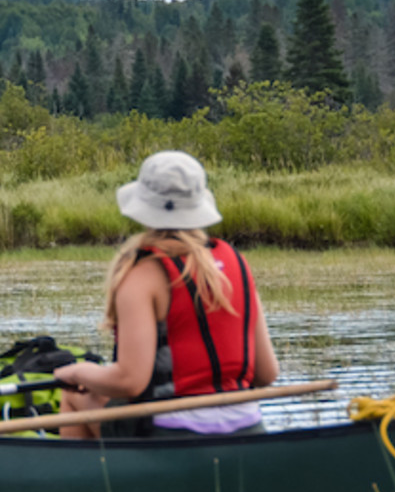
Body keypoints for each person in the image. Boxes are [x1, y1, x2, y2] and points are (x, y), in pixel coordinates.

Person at [53, 151, 279, 439]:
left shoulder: (142, 275)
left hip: (169, 433)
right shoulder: (236, 262)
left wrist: (77, 373)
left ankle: (89, 483)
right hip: (248, 428)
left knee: (72, 397)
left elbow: (130, 381)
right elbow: (267, 373)